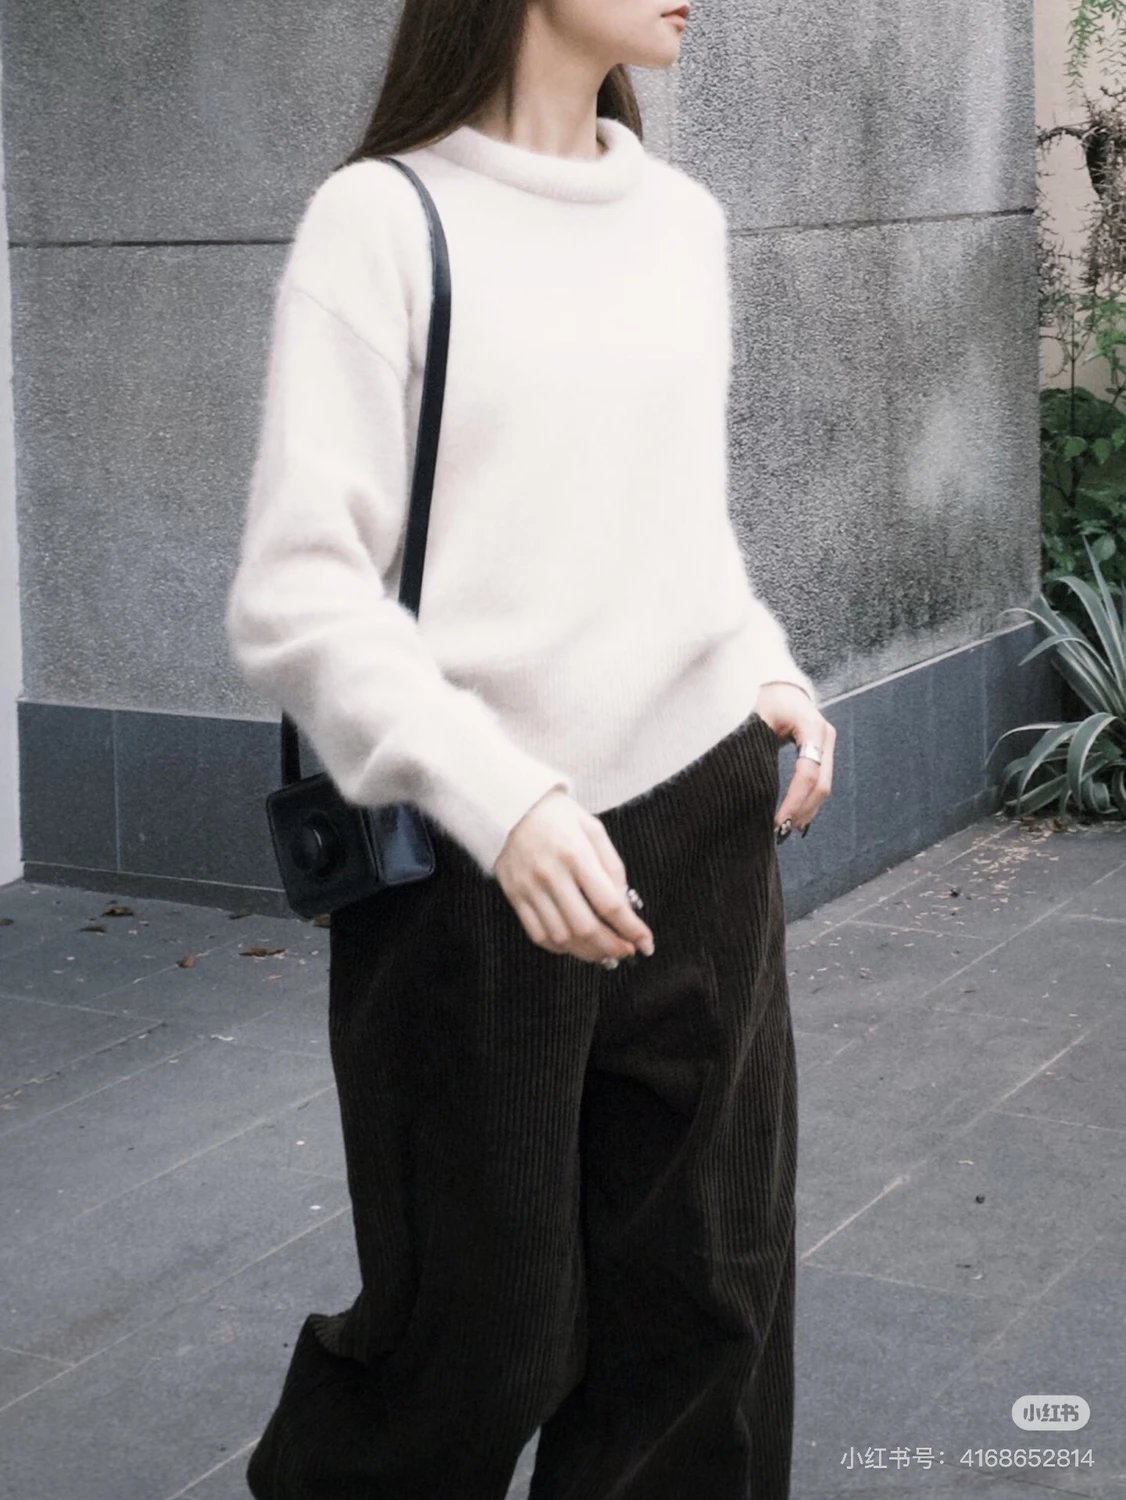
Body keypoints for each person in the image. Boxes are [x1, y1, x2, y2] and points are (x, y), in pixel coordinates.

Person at [224, 1, 836, 1495]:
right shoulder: (383, 221)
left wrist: (763, 663)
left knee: (707, 1316)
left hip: (701, 822)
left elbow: (678, 528)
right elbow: (298, 591)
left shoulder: (681, 222)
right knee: (477, 1340)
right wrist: (501, 802)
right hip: (477, 862)